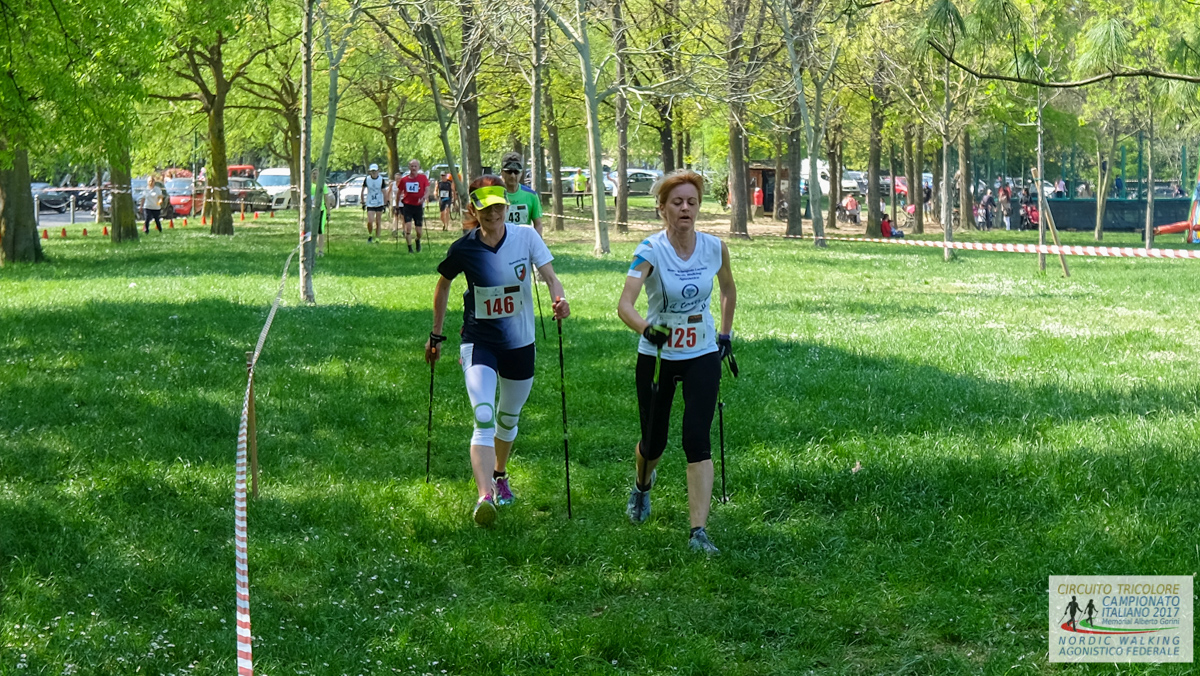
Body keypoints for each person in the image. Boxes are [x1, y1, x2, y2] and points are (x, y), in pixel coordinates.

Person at [425, 175, 570, 526]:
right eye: (486, 209)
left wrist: (559, 300)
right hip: (479, 341)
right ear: (474, 209)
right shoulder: (464, 248)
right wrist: (436, 335)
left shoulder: (526, 237)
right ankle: (484, 496)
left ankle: (500, 474)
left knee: (508, 419)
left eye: (499, 208)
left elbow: (550, 275)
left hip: (520, 342)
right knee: (485, 415)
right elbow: (443, 285)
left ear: (508, 207)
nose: (493, 215)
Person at [616, 169, 737, 555]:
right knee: (654, 442)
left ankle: (698, 532)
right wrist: (646, 330)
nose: (685, 208)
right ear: (663, 209)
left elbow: (728, 290)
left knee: (696, 439)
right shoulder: (649, 250)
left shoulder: (715, 247)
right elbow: (625, 305)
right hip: (657, 356)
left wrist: (725, 335)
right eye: (677, 202)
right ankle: (642, 486)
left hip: (701, 351)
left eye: (692, 202)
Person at [499, 152, 544, 237]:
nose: (512, 175)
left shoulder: (531, 196)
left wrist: (536, 243)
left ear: (521, 173)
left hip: (523, 243)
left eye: (516, 172)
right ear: (502, 172)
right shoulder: (494, 195)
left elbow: (538, 224)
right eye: (509, 171)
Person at [399, 159, 429, 252]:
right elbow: (399, 192)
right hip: (407, 206)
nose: (413, 168)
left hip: (418, 206)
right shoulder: (404, 180)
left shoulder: (423, 178)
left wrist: (424, 198)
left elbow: (427, 191)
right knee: (408, 228)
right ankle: (410, 248)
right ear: (409, 167)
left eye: (415, 166)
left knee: (419, 231)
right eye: (412, 166)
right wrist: (396, 204)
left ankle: (417, 240)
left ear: (418, 167)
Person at [361, 164, 387, 243]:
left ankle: (377, 238)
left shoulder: (381, 180)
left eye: (375, 171)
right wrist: (363, 202)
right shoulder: (367, 179)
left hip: (379, 202)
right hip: (370, 202)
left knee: (378, 221)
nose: (374, 173)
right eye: (372, 171)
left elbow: (384, 192)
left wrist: (385, 204)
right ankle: (370, 235)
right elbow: (362, 191)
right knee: (370, 221)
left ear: (378, 171)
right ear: (370, 172)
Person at [310, 169, 333, 256]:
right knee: (311, 230)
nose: (315, 176)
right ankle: (312, 250)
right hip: (311, 211)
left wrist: (328, 212)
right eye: (313, 174)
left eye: (316, 174)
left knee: (320, 230)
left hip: (321, 210)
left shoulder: (323, 185)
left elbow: (327, 199)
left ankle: (320, 250)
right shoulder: (308, 186)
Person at [386, 171, 405, 239]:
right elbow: (388, 192)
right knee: (395, 216)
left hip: (403, 202)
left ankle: (404, 230)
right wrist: (387, 200)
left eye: (399, 178)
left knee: (403, 217)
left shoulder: (404, 184)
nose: (398, 180)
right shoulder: (392, 184)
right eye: (396, 178)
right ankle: (394, 230)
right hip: (395, 202)